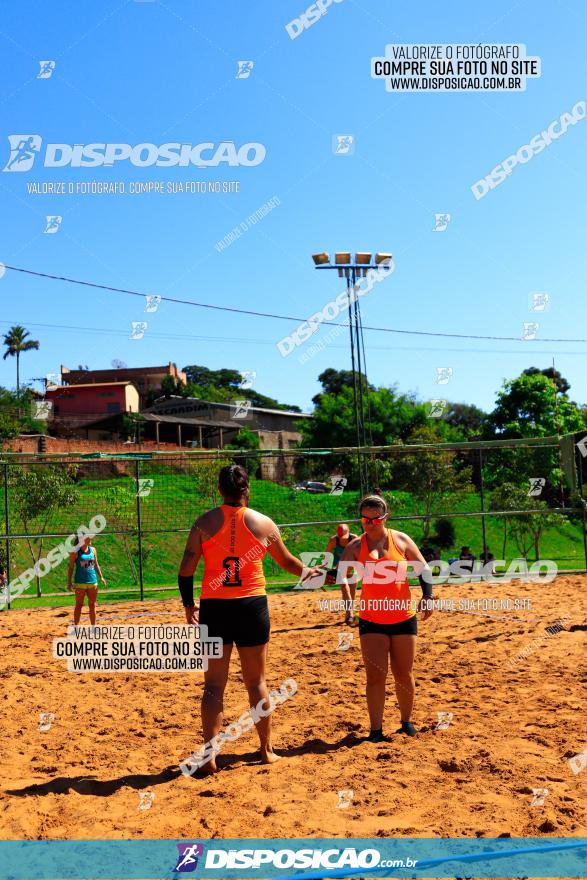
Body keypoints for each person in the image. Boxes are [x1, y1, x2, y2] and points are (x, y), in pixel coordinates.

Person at [178, 464, 322, 775]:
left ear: (219, 490)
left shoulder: (203, 523)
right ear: (247, 491)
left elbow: (186, 568)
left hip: (215, 607)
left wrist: (189, 604)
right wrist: (307, 573)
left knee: (213, 685)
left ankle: (209, 758)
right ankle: (266, 751)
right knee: (256, 682)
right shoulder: (263, 523)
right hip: (251, 607)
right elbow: (285, 561)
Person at [339, 494, 434, 741]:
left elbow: (423, 568)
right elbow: (340, 574)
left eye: (376, 519)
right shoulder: (355, 547)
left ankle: (406, 722)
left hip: (403, 616)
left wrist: (428, 596)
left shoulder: (400, 540)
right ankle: (376, 730)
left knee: (404, 673)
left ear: (385, 517)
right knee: (375, 676)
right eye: (365, 519)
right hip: (371, 619)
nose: (370, 523)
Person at [67, 535, 106, 625]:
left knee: (92, 605)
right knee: (79, 605)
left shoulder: (93, 550)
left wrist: (101, 577)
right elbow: (71, 568)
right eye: (89, 537)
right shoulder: (75, 552)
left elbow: (96, 564)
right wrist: (69, 582)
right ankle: (76, 628)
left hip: (93, 582)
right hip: (80, 583)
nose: (91, 539)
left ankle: (93, 627)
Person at [325, 523, 359, 624]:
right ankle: (350, 614)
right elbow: (327, 556)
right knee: (345, 588)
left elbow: (360, 554)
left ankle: (348, 613)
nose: (343, 539)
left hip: (352, 566)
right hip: (339, 567)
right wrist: (325, 572)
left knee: (352, 592)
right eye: (341, 537)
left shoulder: (354, 539)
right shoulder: (333, 541)